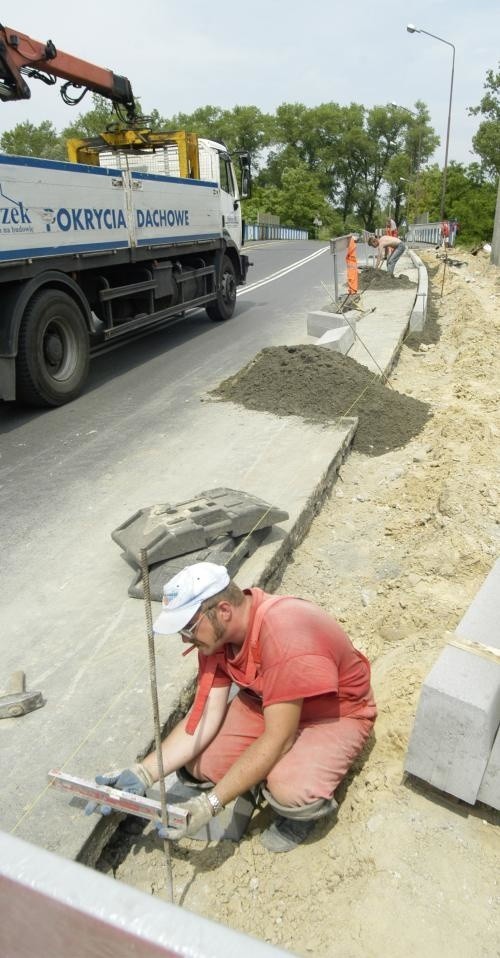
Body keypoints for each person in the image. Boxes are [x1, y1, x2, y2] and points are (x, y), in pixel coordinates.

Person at [87, 562, 377, 853]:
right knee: (203, 763)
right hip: (266, 702)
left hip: (333, 712)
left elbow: (280, 739)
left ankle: (302, 809)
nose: (184, 638)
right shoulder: (217, 639)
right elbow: (203, 720)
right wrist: (144, 772)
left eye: (188, 627)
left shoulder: (283, 634)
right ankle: (253, 776)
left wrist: (210, 803)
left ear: (223, 610)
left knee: (290, 789)